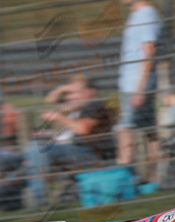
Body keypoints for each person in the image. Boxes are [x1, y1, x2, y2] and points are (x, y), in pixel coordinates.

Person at [21, 76, 116, 207]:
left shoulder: (95, 105)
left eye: (73, 93)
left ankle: (38, 203)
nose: (68, 98)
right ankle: (8, 204)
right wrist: (62, 89)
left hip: (90, 155)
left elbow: (83, 129)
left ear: (90, 92)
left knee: (36, 148)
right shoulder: (73, 109)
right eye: (67, 94)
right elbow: (50, 100)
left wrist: (59, 116)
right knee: (13, 160)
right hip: (63, 151)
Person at [117, 0, 162, 181]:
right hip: (132, 83)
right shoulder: (137, 14)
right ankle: (156, 178)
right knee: (150, 131)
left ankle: (122, 179)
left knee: (124, 129)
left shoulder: (147, 15)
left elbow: (150, 52)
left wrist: (140, 89)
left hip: (136, 85)